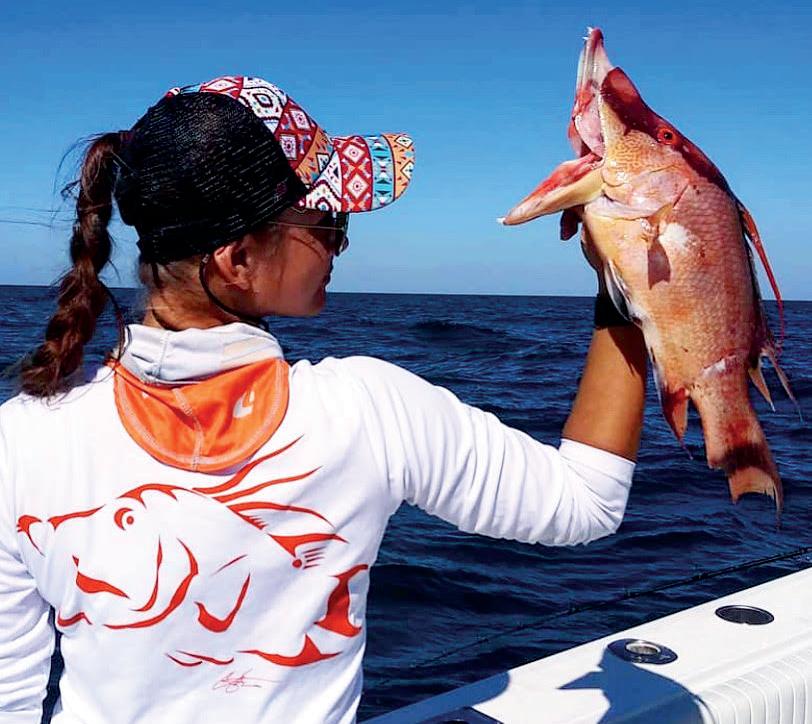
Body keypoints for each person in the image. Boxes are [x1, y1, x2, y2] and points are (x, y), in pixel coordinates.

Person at [0, 76, 647, 723]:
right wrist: (626, 281)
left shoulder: (20, 440)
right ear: (237, 260)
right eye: (328, 221)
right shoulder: (368, 410)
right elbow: (584, 503)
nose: (341, 242)